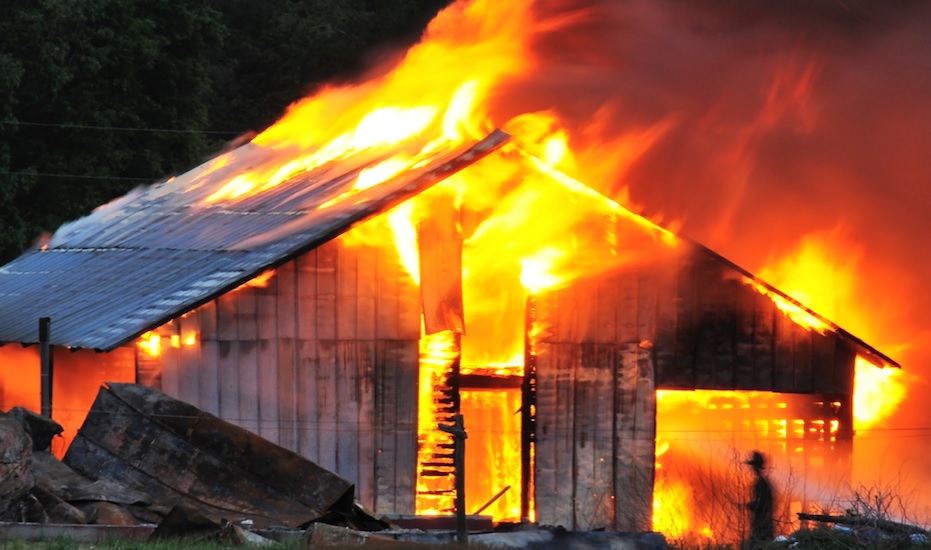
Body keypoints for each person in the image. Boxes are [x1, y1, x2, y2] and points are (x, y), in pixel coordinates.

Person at [744, 450, 774, 549]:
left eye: (753, 467)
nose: (751, 469)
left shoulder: (761, 484)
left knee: (758, 545)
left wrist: (749, 506)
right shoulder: (764, 483)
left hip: (762, 523)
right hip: (764, 522)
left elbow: (761, 505)